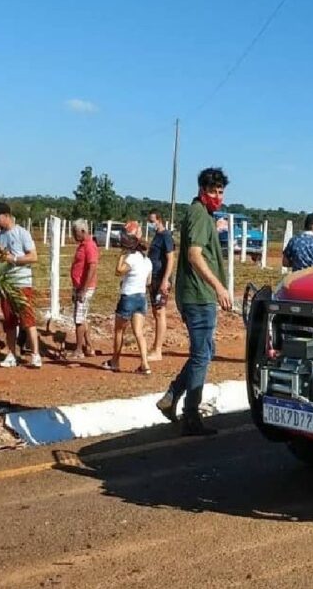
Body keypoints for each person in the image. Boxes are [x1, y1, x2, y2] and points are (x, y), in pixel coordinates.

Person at [155, 167, 232, 436]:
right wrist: (219, 287)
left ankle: (172, 396)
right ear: (202, 190)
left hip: (194, 295)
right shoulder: (200, 214)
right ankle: (190, 414)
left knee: (205, 352)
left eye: (221, 191)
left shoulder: (201, 214)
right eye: (213, 191)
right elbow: (195, 255)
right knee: (202, 356)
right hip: (199, 296)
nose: (217, 196)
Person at [0, 202, 41, 368]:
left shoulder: (22, 233)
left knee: (27, 318)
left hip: (21, 282)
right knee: (9, 321)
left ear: (5, 216)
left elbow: (33, 256)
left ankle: (35, 354)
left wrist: (14, 259)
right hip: (6, 283)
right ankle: (12, 354)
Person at [104, 222, 152, 374]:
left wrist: (121, 255)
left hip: (128, 297)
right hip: (141, 297)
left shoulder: (131, 258)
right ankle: (145, 364)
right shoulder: (147, 261)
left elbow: (118, 271)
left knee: (119, 331)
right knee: (139, 332)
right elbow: (148, 281)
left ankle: (115, 361)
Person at [146, 209, 175, 361]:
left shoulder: (166, 237)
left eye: (153, 221)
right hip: (154, 277)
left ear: (159, 220)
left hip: (161, 279)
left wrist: (166, 279)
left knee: (160, 312)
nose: (151, 224)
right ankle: (155, 347)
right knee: (156, 312)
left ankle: (158, 350)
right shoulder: (157, 237)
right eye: (149, 221)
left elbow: (170, 259)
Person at [69, 219, 99, 359]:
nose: (73, 235)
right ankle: (89, 346)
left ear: (82, 231)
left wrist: (83, 289)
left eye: (75, 232)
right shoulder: (82, 245)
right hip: (79, 287)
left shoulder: (89, 246)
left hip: (84, 288)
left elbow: (92, 267)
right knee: (82, 316)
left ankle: (79, 350)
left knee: (79, 319)